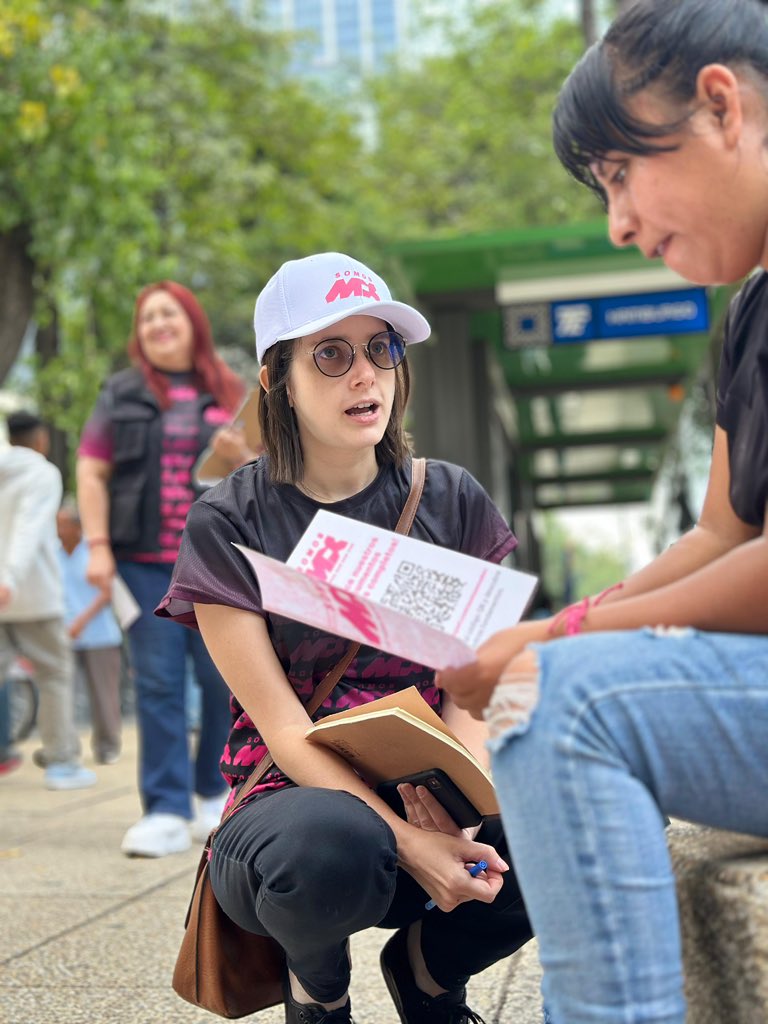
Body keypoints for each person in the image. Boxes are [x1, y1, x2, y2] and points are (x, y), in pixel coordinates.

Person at [438, 2, 768, 1022]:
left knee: (562, 703)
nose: (617, 222)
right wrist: (546, 632)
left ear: (723, 105)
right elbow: (724, 533)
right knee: (552, 680)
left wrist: (561, 637)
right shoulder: (749, 314)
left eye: (620, 171)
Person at [157, 252, 534, 1024]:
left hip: (435, 788)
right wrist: (405, 839)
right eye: (331, 354)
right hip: (291, 813)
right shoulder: (229, 520)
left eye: (381, 348)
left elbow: (475, 687)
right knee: (335, 841)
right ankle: (318, 990)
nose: (365, 374)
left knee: (578, 808)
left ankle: (430, 973)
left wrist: (459, 803)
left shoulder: (452, 499)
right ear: (276, 378)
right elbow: (287, 731)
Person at [76, 281, 256, 858]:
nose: (158, 324)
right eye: (148, 317)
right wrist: (98, 546)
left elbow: (268, 475)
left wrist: (241, 458)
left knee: (220, 682)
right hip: (142, 563)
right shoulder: (120, 394)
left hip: (218, 564)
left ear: (192, 323)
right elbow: (91, 471)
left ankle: (210, 795)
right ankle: (164, 808)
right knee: (156, 683)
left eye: (169, 314)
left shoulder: (230, 391)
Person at [0, 411, 96, 790]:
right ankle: (61, 763)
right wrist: (9, 578)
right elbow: (31, 526)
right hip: (32, 593)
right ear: (39, 439)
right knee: (54, 674)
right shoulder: (42, 473)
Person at [56, 496, 123, 765]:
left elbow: (107, 592)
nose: (58, 530)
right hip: (64, 635)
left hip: (99, 635)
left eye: (62, 525)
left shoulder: (92, 552)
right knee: (63, 694)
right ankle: (66, 749)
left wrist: (81, 621)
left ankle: (107, 747)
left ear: (77, 527)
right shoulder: (52, 551)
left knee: (103, 695)